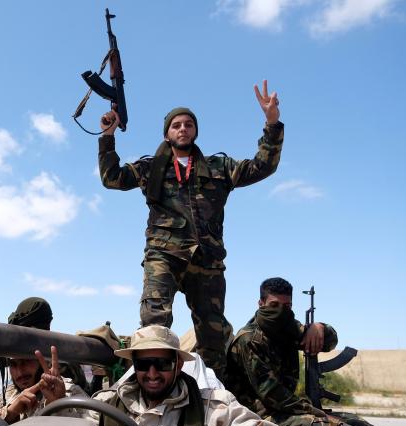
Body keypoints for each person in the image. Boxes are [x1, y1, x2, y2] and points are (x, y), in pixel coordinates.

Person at [97, 81, 284, 382]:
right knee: (154, 321)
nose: (182, 129)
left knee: (213, 334)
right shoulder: (151, 168)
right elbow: (112, 177)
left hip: (207, 261)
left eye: (188, 124)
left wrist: (272, 123)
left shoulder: (219, 167)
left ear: (195, 131)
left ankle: (213, 395)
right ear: (167, 133)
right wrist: (108, 136)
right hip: (164, 254)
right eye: (176, 125)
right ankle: (150, 384)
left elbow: (261, 167)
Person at [226, 277, 406, 426]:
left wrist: (319, 328)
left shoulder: (286, 327)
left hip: (290, 411)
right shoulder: (249, 339)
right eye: (274, 305)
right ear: (260, 304)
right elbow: (273, 396)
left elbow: (330, 342)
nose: (280, 311)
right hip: (264, 415)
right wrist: (317, 413)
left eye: (286, 306)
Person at [91, 325, 295, 426]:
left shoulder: (213, 408)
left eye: (162, 364)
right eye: (143, 364)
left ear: (178, 364)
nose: (152, 374)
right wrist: (59, 399)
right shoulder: (108, 406)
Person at [0, 297, 87, 415]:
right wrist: (10, 414)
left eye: (26, 361)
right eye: (13, 364)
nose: (20, 372)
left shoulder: (69, 392)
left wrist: (57, 406)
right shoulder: (9, 394)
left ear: (42, 359)